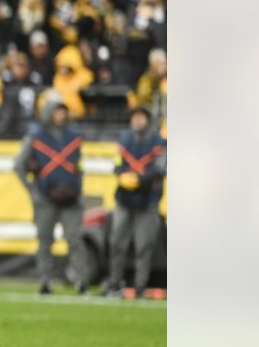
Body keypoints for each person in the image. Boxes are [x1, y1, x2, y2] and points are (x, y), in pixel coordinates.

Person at [14, 97, 88, 295]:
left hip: (71, 198)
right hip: (45, 197)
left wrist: (79, 189)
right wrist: (32, 190)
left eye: (63, 111)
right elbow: (19, 165)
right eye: (56, 111)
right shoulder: (36, 136)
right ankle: (45, 281)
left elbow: (78, 166)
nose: (60, 115)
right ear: (48, 112)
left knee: (75, 239)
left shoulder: (73, 136)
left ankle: (81, 281)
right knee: (45, 240)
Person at [104, 107, 166, 298]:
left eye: (141, 117)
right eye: (135, 117)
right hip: (124, 199)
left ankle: (140, 286)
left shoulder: (159, 143)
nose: (137, 121)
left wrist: (140, 180)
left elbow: (160, 169)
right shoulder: (125, 140)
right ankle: (114, 284)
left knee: (144, 246)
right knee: (117, 244)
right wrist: (122, 176)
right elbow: (117, 164)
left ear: (148, 120)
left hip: (148, 201)